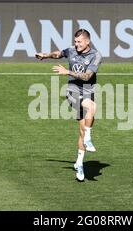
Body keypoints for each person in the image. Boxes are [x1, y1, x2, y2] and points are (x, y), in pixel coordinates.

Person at [35, 29, 102, 182]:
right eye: (75, 41)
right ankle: (89, 139)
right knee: (92, 107)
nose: (76, 44)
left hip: (87, 90)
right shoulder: (72, 51)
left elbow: (87, 76)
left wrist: (67, 72)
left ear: (87, 42)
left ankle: (79, 164)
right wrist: (45, 55)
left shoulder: (96, 56)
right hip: (73, 91)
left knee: (82, 131)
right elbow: (58, 53)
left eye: (79, 42)